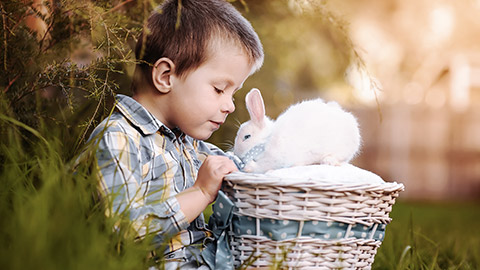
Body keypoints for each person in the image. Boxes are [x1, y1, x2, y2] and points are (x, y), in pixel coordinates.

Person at [88, 0, 263, 269]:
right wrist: (201, 192)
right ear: (166, 76)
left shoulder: (190, 145)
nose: (230, 105)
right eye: (219, 89)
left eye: (234, 93)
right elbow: (120, 237)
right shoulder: (118, 139)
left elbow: (251, 169)